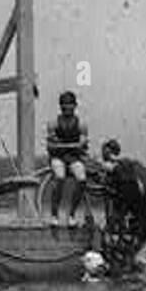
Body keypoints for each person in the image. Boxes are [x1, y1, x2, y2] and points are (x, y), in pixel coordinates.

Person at [98, 139, 146, 274]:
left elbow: (110, 170)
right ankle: (125, 261)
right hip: (138, 220)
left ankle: (124, 262)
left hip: (140, 221)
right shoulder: (127, 175)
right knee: (120, 236)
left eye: (106, 152)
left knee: (123, 238)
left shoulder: (123, 169)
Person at [45, 90, 89, 227]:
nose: (67, 108)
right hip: (58, 157)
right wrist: (65, 146)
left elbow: (82, 143)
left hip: (73, 157)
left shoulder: (81, 124)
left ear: (75, 106)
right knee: (60, 177)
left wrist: (76, 145)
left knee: (82, 179)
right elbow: (51, 144)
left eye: (70, 105)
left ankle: (71, 215)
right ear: (61, 106)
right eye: (64, 105)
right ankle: (54, 215)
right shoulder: (54, 123)